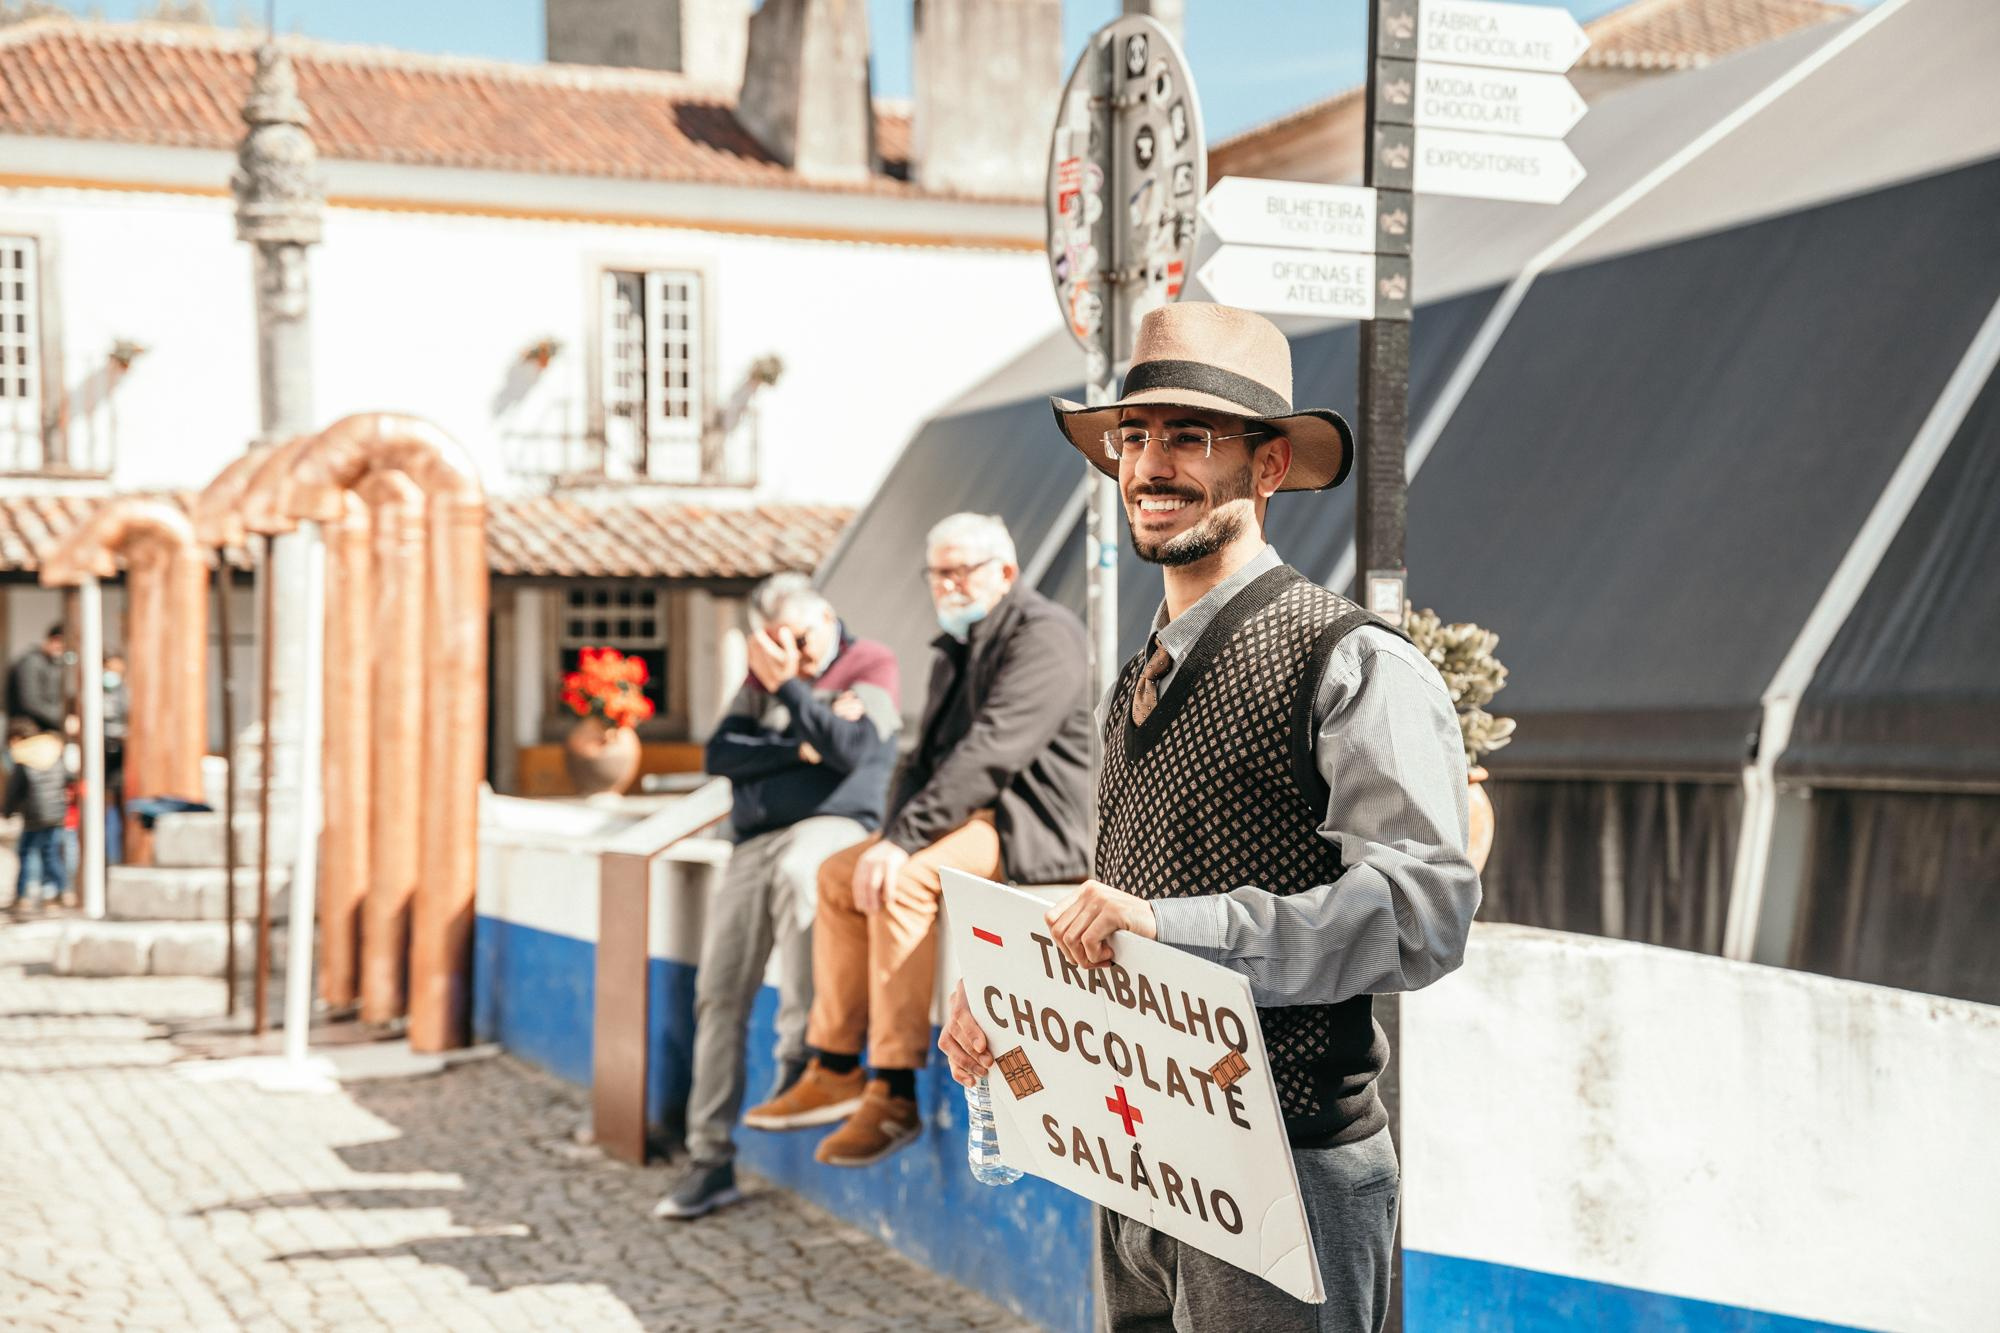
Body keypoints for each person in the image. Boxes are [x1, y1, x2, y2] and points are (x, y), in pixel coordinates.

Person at [939, 303, 1481, 1332]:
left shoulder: (1350, 662)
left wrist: (1172, 931)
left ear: (1268, 468)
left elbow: (1422, 911)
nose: (1149, 466)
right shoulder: (1126, 686)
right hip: (1138, 1158)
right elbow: (1122, 908)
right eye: (1132, 438)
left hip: (1287, 1171)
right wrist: (1011, 998)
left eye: (1190, 436)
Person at [745, 513, 1094, 1166]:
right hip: (966, 821)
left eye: (965, 569)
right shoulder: (955, 649)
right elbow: (922, 757)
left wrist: (901, 844)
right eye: (940, 572)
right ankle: (836, 1062)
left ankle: (894, 1086)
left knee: (901, 880)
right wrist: (887, 834)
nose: (950, 585)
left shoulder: (1046, 635)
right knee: (837, 873)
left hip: (1027, 826)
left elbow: (991, 753)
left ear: (1007, 573)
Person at [653, 575, 902, 1219]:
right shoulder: (761, 677)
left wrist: (790, 687)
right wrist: (798, 743)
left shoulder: (867, 662)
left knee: (802, 872)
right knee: (718, 994)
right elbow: (719, 754)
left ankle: (801, 1057)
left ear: (828, 615)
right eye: (780, 641)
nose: (794, 650)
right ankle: (709, 1158)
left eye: (803, 636)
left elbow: (853, 751)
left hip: (832, 828)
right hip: (748, 841)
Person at [6, 717, 72, 916]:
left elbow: (14, 789)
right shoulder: (52, 749)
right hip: (56, 813)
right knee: (51, 854)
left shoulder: (23, 755)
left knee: (25, 853)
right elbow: (66, 778)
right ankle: (62, 890)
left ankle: (22, 895)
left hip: (34, 814)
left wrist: (7, 811)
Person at [6, 625, 66, 736]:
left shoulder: (51, 663)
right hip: (28, 730)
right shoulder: (31, 662)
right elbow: (31, 703)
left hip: (44, 728)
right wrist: (62, 719)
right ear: (56, 639)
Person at [101, 653, 129, 866]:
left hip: (122, 758)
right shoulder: (95, 691)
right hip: (100, 756)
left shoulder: (125, 692)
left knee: (117, 810)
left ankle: (116, 856)